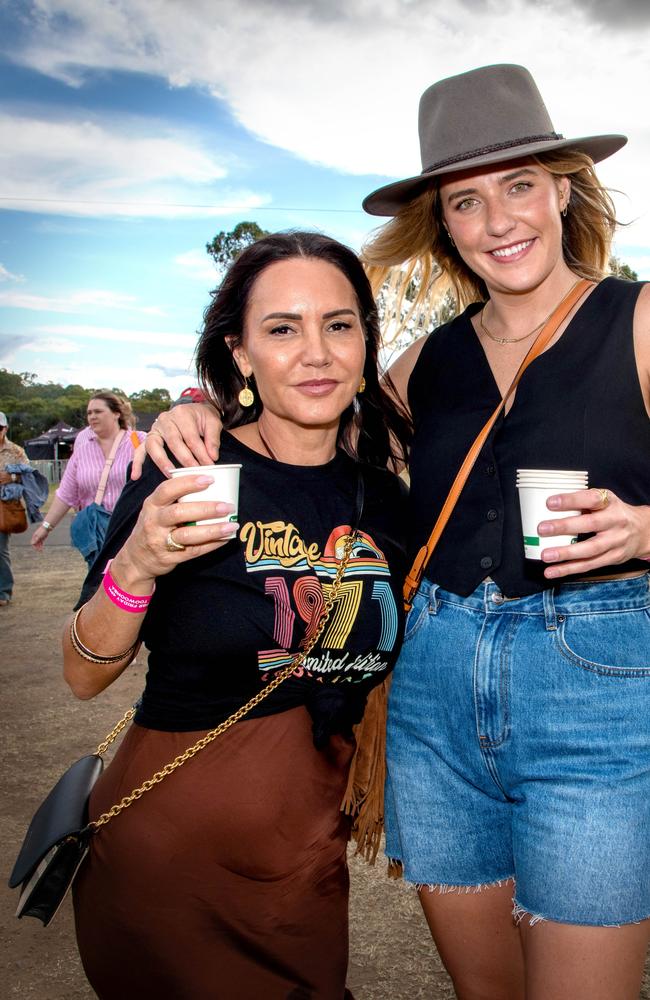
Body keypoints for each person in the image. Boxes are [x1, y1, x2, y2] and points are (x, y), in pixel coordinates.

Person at [137, 65, 650, 1000]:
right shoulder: (423, 362)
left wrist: (647, 527)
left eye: (520, 185)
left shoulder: (640, 321)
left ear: (563, 189)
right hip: (434, 702)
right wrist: (193, 403)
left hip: (594, 696)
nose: (499, 220)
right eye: (467, 201)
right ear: (443, 223)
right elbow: (301, 404)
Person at [62, 232, 410, 999]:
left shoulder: (385, 500)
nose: (315, 351)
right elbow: (83, 675)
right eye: (283, 328)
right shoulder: (186, 471)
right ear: (241, 352)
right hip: (171, 866)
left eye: (339, 324)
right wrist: (137, 566)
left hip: (302, 873)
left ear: (365, 342)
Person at [31, 392, 145, 565]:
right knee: (99, 584)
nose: (92, 416)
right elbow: (66, 493)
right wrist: (45, 527)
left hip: (132, 530)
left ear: (116, 413)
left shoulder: (140, 442)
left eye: (98, 411)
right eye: (89, 413)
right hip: (97, 534)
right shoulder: (83, 449)